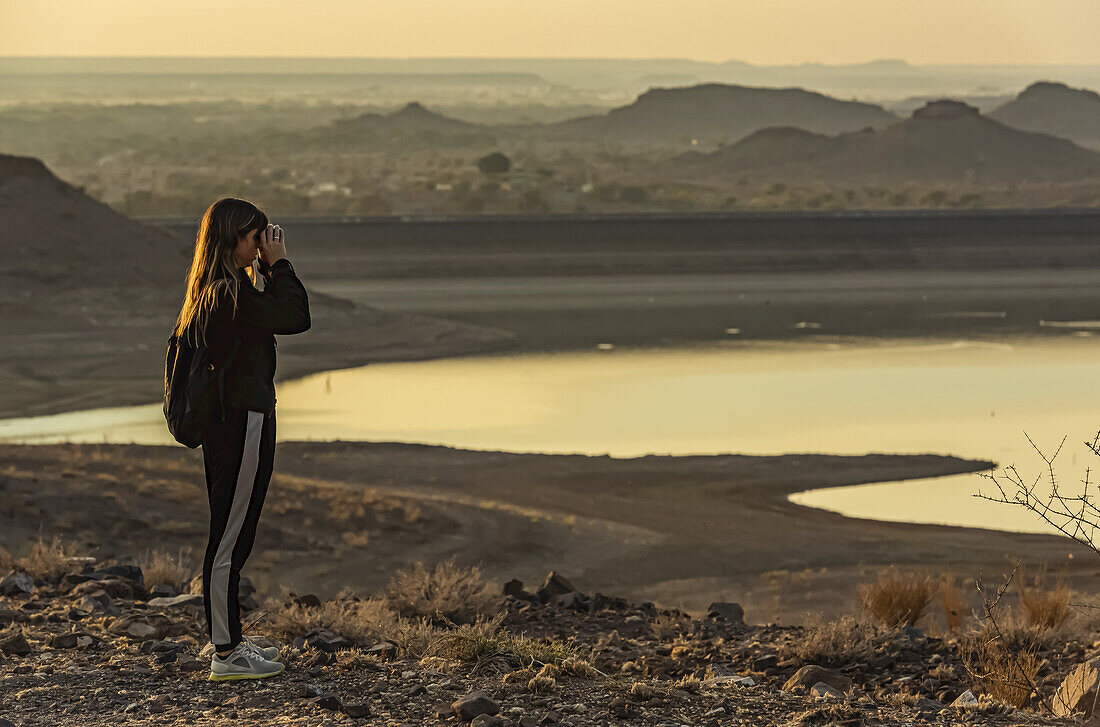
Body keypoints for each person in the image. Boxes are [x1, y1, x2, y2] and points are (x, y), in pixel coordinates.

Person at [171, 197, 310, 681]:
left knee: (236, 533)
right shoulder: (226, 295)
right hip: (239, 424)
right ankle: (225, 654)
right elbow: (294, 315)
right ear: (233, 237)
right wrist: (282, 263)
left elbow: (277, 314)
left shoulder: (220, 291)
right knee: (229, 538)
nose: (261, 245)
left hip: (240, 422)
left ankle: (229, 642)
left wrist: (265, 268)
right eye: (256, 236)